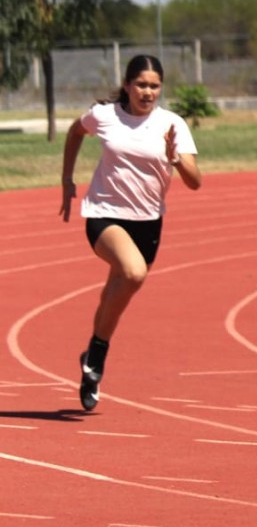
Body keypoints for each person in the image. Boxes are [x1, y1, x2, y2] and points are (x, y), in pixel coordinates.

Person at [59, 54, 202, 411]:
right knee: (133, 272)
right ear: (127, 85)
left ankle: (92, 359)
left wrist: (176, 159)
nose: (148, 92)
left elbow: (195, 182)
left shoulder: (172, 124)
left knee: (113, 298)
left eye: (154, 86)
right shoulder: (104, 115)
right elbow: (75, 131)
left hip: (149, 221)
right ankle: (98, 357)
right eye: (141, 84)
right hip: (104, 215)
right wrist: (66, 179)